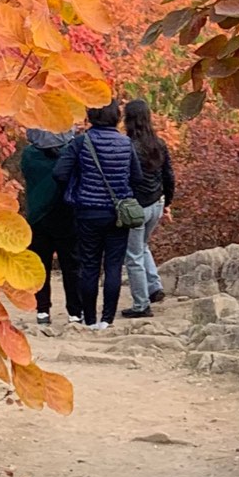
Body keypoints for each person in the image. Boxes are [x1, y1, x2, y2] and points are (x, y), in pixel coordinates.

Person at [54, 102, 141, 326]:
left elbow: (59, 173)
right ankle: (107, 320)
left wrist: (78, 187)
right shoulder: (126, 142)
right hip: (118, 214)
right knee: (113, 266)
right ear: (116, 116)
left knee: (89, 265)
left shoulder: (82, 142)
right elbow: (137, 177)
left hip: (88, 212)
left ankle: (90, 320)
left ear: (91, 115)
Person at [120, 96, 176, 317]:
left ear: (128, 120)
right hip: (157, 202)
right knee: (142, 246)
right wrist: (167, 203)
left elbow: (124, 179)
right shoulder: (159, 143)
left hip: (137, 207)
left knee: (132, 255)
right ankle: (154, 287)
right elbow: (169, 175)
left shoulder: (128, 147)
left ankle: (141, 305)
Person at [16, 126, 70, 329]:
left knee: (41, 266)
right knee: (71, 265)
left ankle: (42, 310)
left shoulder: (29, 155)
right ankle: (74, 312)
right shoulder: (69, 152)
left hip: (37, 216)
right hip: (66, 214)